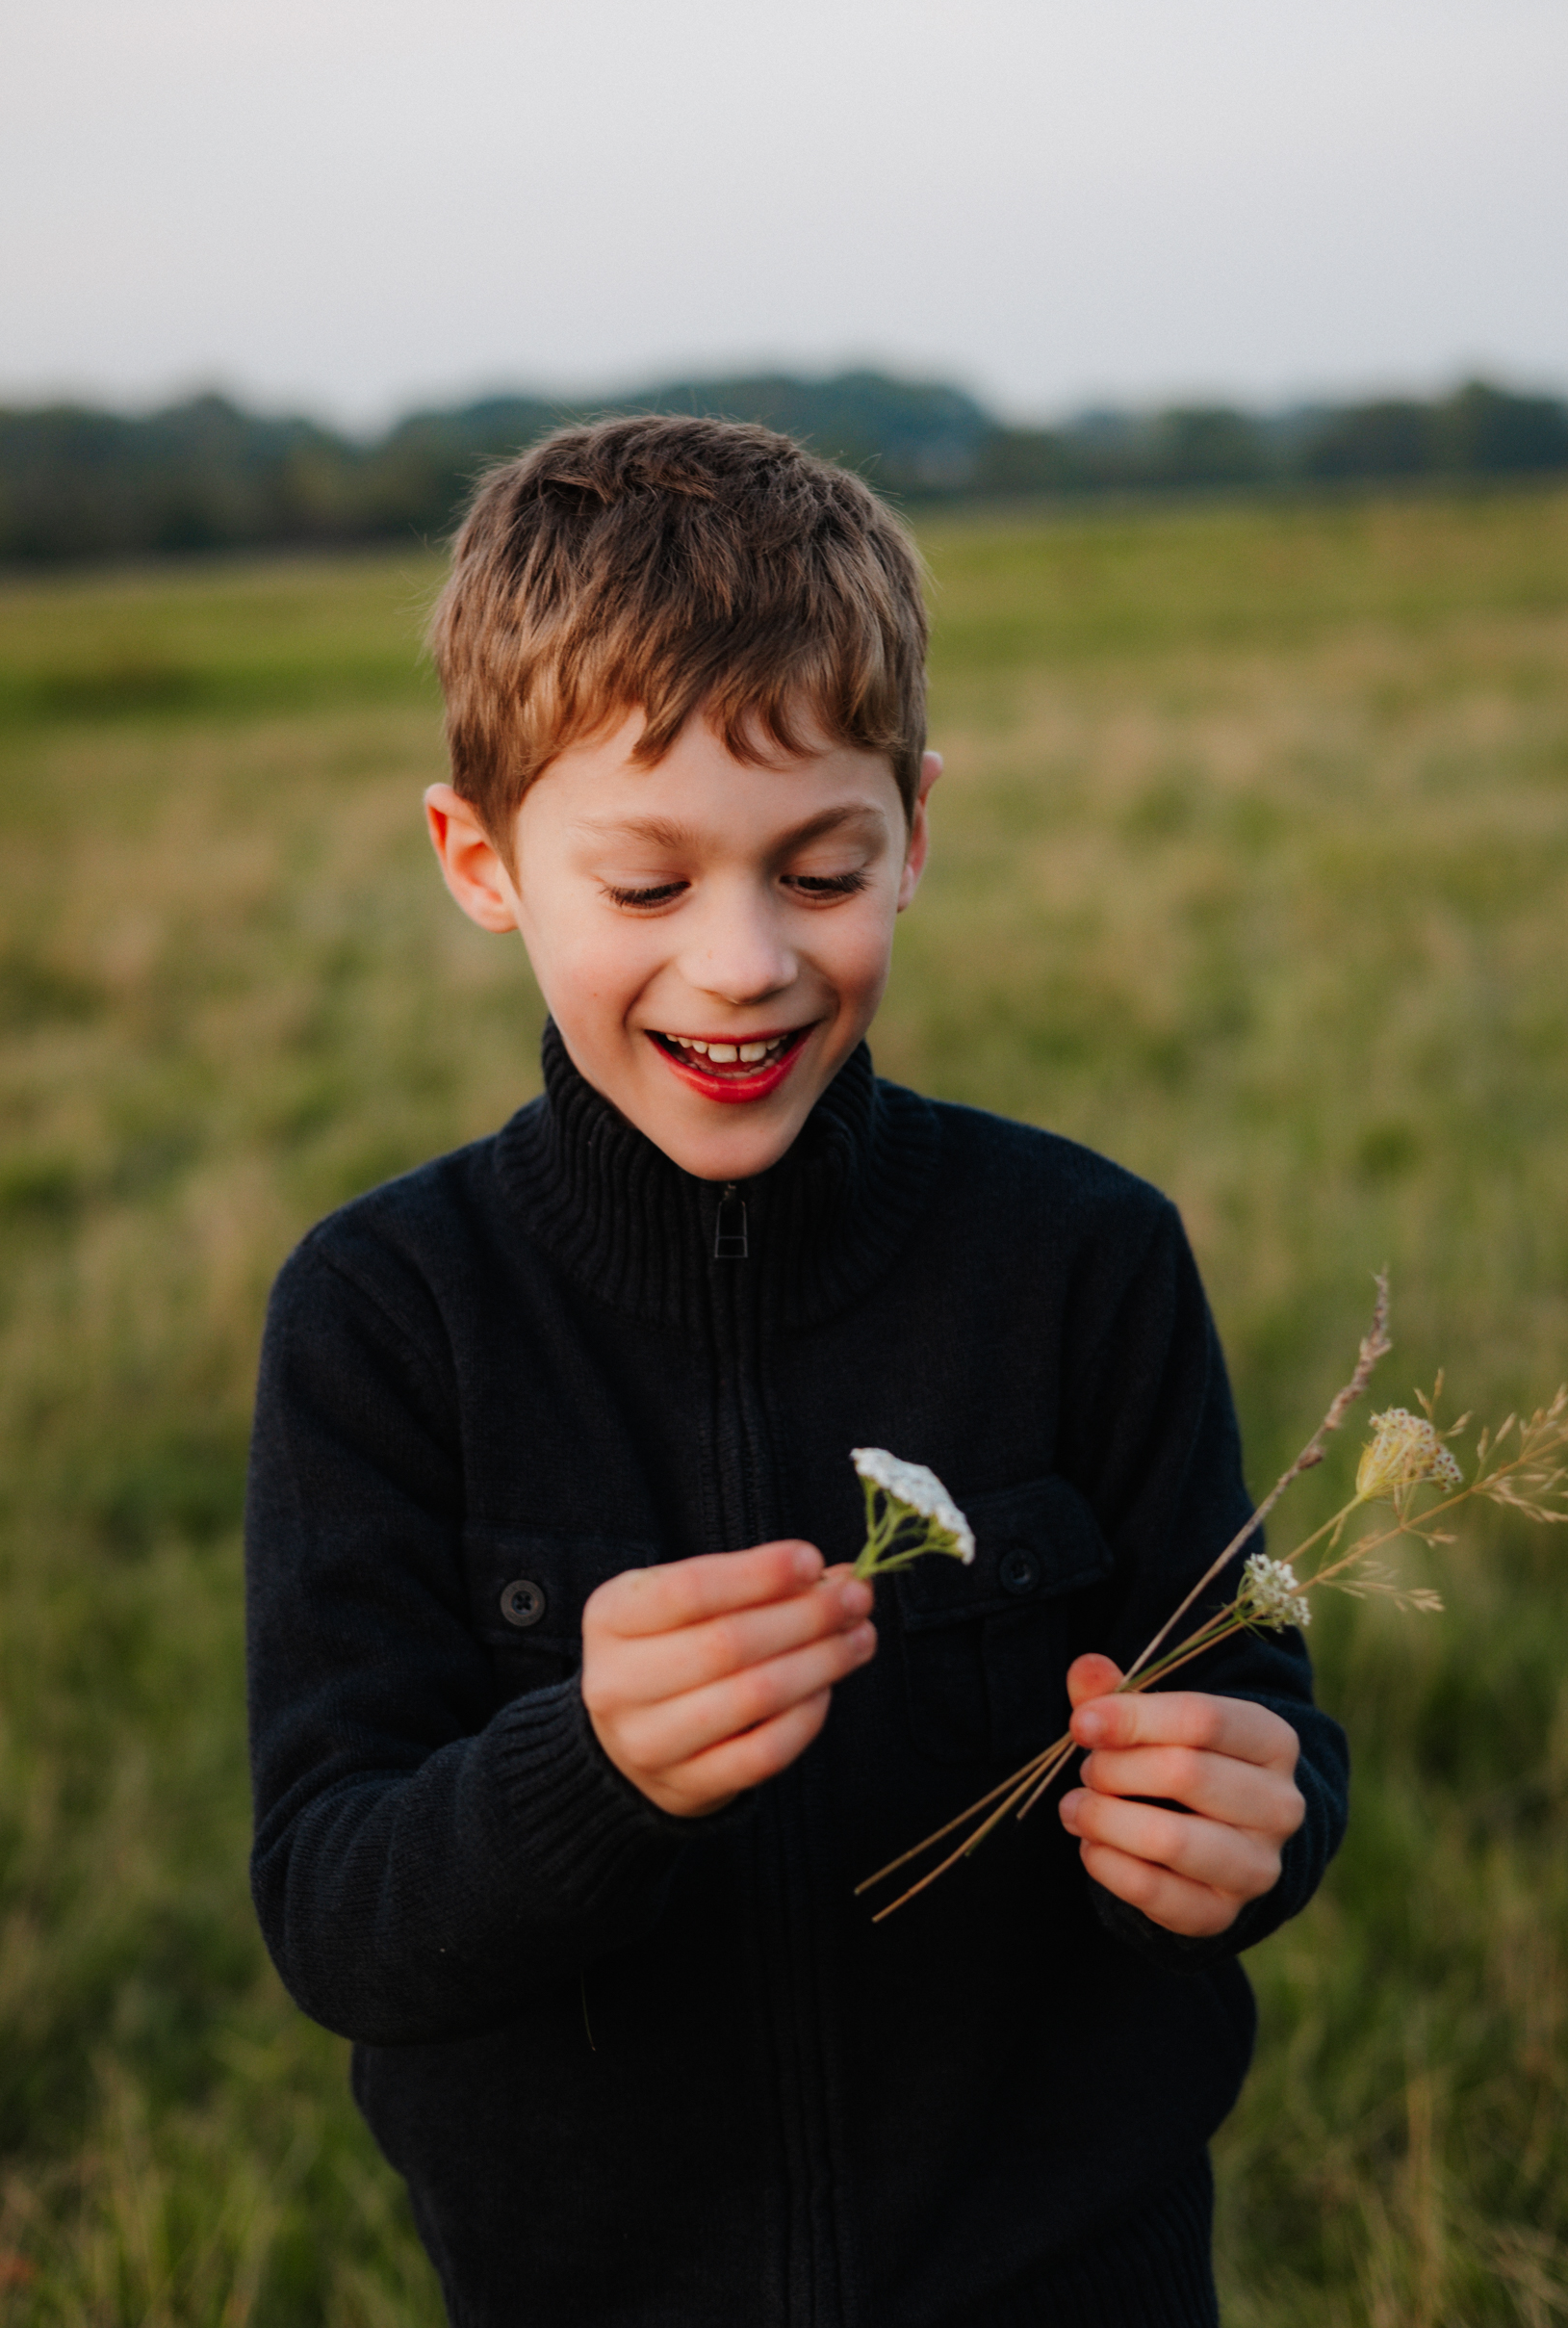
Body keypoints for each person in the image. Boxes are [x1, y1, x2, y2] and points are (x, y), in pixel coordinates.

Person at [245, 415, 1346, 2328]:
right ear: (480, 857)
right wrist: (583, 1770)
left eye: (819, 869)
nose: (743, 962)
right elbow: (339, 1906)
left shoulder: (1083, 1259)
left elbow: (1249, 1697)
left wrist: (1252, 1819)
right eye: (647, 889)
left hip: (1062, 2273)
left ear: (915, 829)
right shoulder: (386, 1313)